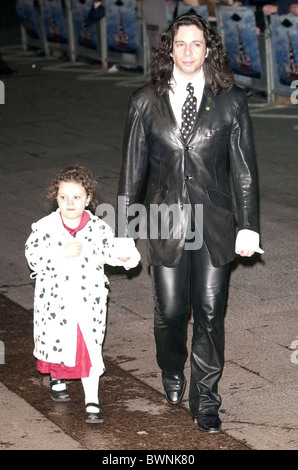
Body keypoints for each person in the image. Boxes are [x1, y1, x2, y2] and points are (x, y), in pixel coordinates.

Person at [117, 13, 264, 433]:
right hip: (164, 219)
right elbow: (131, 173)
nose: (188, 51)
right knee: (170, 311)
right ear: (169, 48)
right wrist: (124, 232)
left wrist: (248, 225)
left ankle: (206, 401)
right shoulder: (144, 100)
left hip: (215, 222)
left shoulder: (231, 101)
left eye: (196, 43)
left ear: (208, 50)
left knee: (210, 312)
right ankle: (171, 365)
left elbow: (245, 170)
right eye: (180, 43)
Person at [25, 165, 140, 424]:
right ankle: (57, 378)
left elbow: (109, 250)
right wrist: (58, 254)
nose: (70, 203)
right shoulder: (45, 227)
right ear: (55, 197)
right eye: (63, 197)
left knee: (88, 348)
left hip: (89, 300)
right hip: (56, 302)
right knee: (58, 344)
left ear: (88, 199)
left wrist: (124, 255)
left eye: (77, 197)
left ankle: (92, 400)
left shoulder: (97, 227)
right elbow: (32, 256)